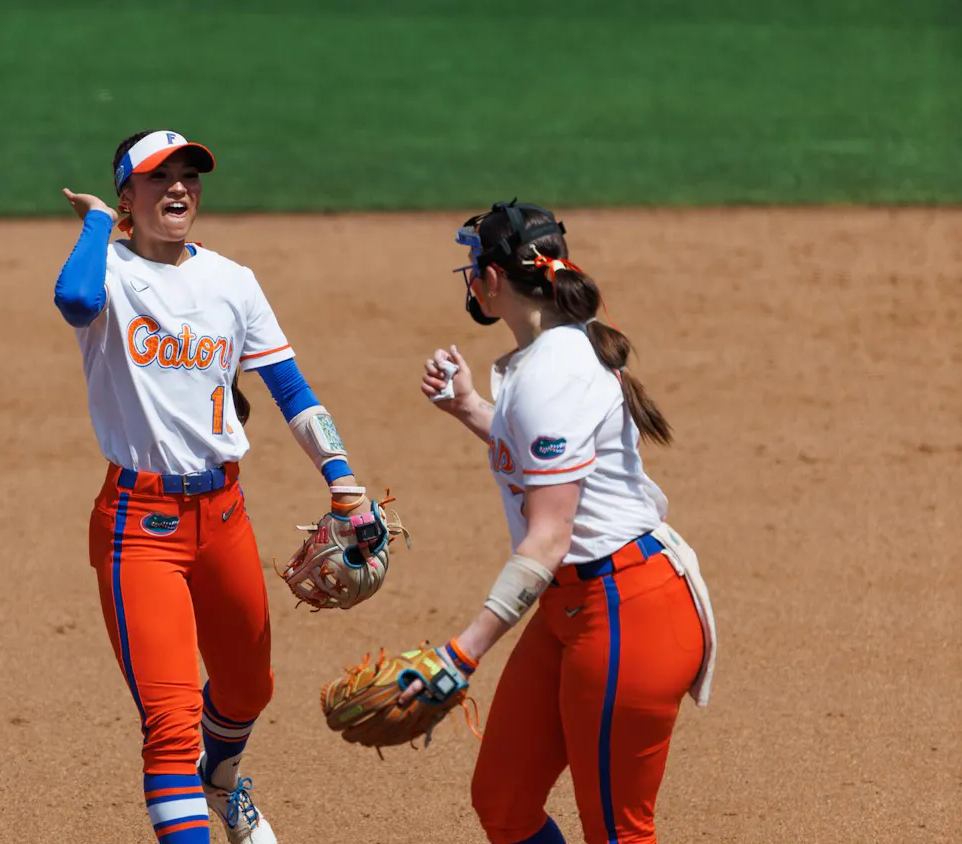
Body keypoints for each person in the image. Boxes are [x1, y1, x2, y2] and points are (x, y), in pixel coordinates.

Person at [53, 129, 390, 844]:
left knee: (247, 689)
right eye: (158, 178)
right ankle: (195, 790)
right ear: (127, 196)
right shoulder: (107, 270)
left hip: (225, 515)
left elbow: (291, 390)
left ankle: (223, 780)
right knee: (172, 724)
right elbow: (74, 300)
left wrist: (345, 483)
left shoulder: (233, 281)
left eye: (189, 177)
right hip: (137, 527)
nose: (179, 189)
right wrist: (92, 225)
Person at [412, 200, 717, 844]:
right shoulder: (554, 352)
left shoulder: (554, 369)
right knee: (503, 800)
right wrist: (469, 406)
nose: (470, 280)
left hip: (627, 613)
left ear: (493, 281)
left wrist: (459, 655)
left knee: (617, 831)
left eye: (474, 268)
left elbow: (547, 539)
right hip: (575, 610)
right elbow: (542, 453)